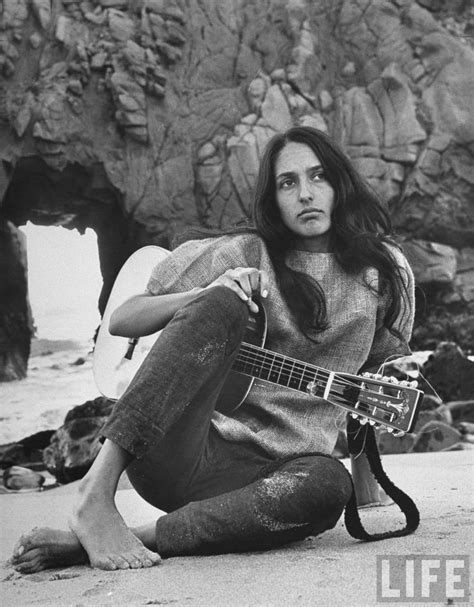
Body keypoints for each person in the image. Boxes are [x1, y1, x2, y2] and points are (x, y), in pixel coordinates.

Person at [11, 126, 415, 573]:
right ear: (272, 196)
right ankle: (95, 494)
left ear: (340, 182)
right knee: (222, 301)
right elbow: (123, 319)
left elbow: (370, 381)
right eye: (288, 182)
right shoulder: (246, 251)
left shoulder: (382, 274)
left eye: (319, 177)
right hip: (177, 450)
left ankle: (131, 539)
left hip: (267, 479)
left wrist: (366, 487)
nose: (306, 194)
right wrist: (204, 296)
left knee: (326, 486)